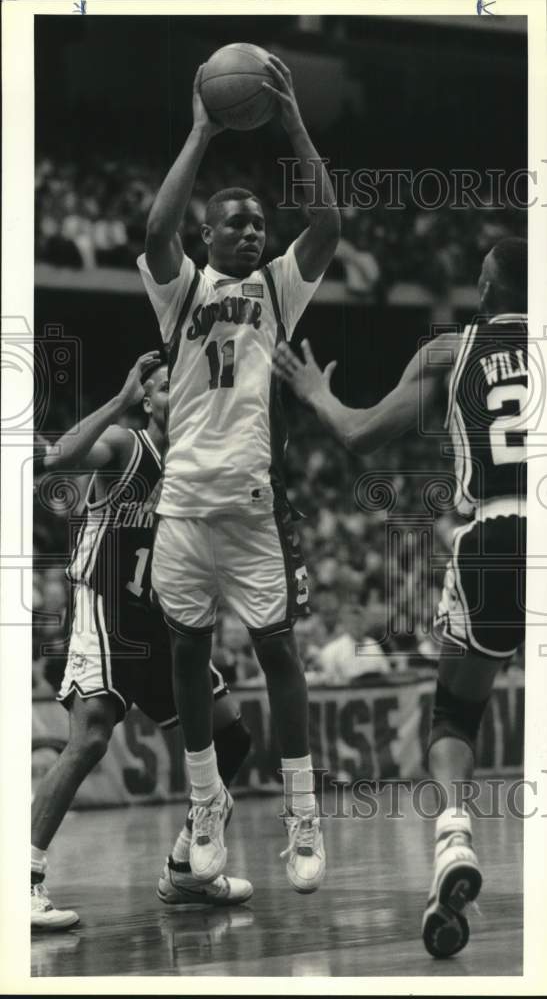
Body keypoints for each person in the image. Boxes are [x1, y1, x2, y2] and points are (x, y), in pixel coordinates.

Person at [273, 237, 527, 954]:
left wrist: (314, 389)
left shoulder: (448, 352)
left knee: (454, 712)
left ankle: (452, 841)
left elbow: (356, 436)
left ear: (483, 286)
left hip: (492, 538)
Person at [138, 55, 340, 894]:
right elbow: (155, 232)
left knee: (279, 653)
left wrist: (291, 121)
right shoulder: (179, 288)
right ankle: (206, 800)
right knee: (188, 653)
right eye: (237, 222)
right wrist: (199, 129)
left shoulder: (275, 290)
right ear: (210, 232)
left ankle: (300, 813)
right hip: (183, 499)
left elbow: (325, 225)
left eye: (260, 222)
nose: (253, 231)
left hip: (254, 502)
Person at [31, 353, 253, 931]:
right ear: (149, 402)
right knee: (91, 738)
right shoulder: (128, 447)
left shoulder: (198, 469)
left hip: (164, 623)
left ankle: (184, 867)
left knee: (231, 738)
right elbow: (54, 458)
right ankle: (22, 878)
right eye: (162, 387)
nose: (178, 394)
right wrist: (120, 396)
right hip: (107, 609)